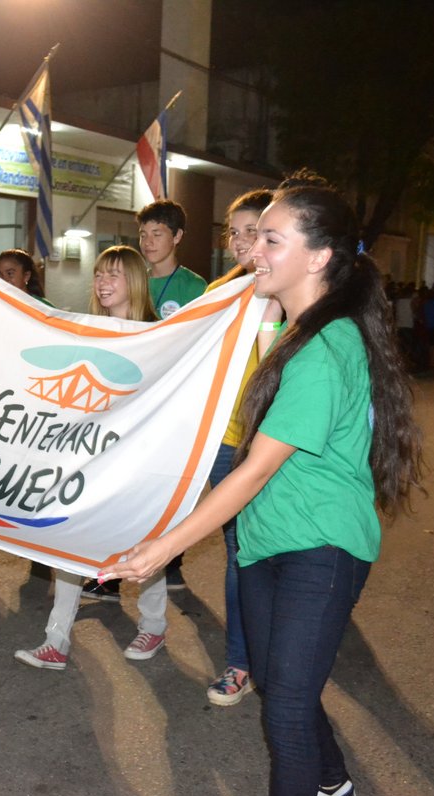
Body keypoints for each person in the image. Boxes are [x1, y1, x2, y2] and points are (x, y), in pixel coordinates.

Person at [101, 171, 424, 796]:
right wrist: (263, 310)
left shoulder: (327, 348)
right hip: (264, 542)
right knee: (279, 688)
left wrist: (162, 548)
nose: (254, 251)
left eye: (272, 240)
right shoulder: (297, 332)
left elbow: (254, 469)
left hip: (319, 547)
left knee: (286, 712)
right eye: (252, 239)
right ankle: (334, 784)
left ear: (319, 257)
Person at [14, 245, 168, 669]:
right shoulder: (87, 330)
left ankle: (154, 625)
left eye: (113, 274)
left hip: (140, 463)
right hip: (89, 457)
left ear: (134, 280)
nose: (102, 282)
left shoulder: (162, 336)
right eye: (99, 274)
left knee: (144, 546)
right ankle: (56, 639)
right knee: (68, 536)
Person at [84, 199, 207, 602]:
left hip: (164, 405)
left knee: (152, 499)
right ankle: (108, 575)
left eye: (158, 233)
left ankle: (165, 564)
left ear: (178, 237)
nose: (149, 241)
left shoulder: (194, 288)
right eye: (143, 234)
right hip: (120, 405)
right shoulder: (127, 278)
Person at [199, 188, 273, 706]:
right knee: (238, 553)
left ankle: (283, 648)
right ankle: (241, 662)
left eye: (255, 231)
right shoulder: (219, 294)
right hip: (226, 445)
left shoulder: (293, 295)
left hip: (280, 447)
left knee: (276, 551)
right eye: (235, 232)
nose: (242, 241)